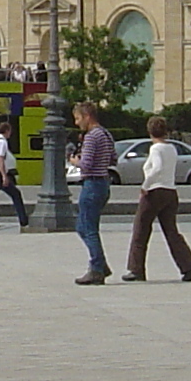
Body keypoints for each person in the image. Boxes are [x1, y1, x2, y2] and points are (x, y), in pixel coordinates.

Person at [125, 116, 191, 281]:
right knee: (171, 232)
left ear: (150, 132)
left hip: (154, 191)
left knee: (140, 230)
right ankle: (188, 267)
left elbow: (157, 167)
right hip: (170, 191)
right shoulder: (171, 148)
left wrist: (145, 185)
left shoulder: (156, 149)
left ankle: (136, 269)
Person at [69, 103, 115, 284]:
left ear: (87, 116)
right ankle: (101, 264)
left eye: (78, 118)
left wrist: (74, 161)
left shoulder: (91, 136)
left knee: (87, 228)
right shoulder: (105, 134)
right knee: (85, 226)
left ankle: (97, 268)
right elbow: (113, 158)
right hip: (103, 183)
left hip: (92, 184)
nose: (76, 122)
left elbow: (86, 164)